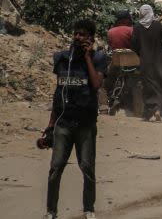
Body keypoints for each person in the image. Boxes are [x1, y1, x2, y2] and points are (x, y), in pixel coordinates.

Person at [43, 19, 107, 219]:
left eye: (82, 34)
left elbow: (96, 85)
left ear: (91, 38)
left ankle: (89, 209)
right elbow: (58, 94)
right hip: (64, 124)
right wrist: (50, 125)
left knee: (87, 167)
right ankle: (51, 212)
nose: (78, 38)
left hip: (86, 125)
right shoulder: (62, 59)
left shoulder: (98, 58)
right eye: (76, 34)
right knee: (55, 168)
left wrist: (87, 58)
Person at [131, 4, 162, 121]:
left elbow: (134, 45)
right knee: (160, 85)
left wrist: (140, 53)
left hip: (145, 62)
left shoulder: (137, 27)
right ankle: (158, 110)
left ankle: (153, 111)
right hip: (159, 62)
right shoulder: (158, 25)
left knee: (148, 86)